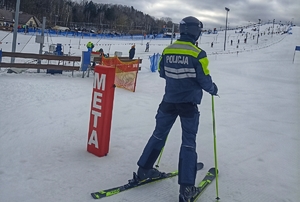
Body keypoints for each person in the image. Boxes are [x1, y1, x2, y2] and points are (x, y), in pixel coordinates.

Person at [135, 16, 218, 202]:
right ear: (195, 31)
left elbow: (162, 72)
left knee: (158, 134)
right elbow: (205, 81)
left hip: (168, 101)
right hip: (188, 104)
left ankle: (144, 170)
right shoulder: (198, 53)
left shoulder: (168, 49)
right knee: (188, 142)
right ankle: (186, 189)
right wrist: (213, 89)